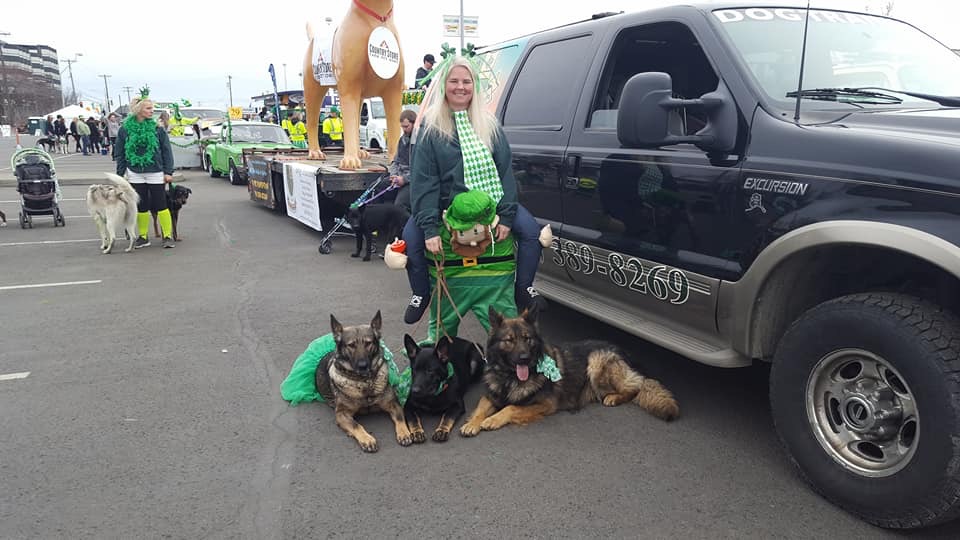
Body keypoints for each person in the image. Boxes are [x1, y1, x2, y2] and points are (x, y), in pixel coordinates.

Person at [401, 55, 547, 324]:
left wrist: (506, 215)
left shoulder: (490, 125)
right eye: (454, 81)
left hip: (490, 200)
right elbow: (425, 182)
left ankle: (523, 286)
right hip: (446, 202)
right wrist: (431, 228)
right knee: (410, 238)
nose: (460, 87)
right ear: (444, 85)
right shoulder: (431, 129)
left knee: (530, 232)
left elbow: (505, 172)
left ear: (474, 86)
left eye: (466, 81)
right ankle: (420, 293)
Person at [115, 96, 177, 249]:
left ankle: (167, 236)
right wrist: (120, 173)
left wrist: (168, 171)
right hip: (134, 171)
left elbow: (166, 151)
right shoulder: (125, 130)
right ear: (138, 110)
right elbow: (120, 153)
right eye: (148, 108)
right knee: (141, 205)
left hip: (155, 171)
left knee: (161, 203)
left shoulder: (157, 129)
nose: (152, 111)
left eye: (152, 108)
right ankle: (143, 237)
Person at [389, 109, 417, 212]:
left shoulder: (420, 141)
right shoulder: (402, 140)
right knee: (377, 189)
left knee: (399, 205)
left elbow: (419, 169)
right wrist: (393, 175)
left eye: (406, 126)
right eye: (402, 127)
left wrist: (404, 179)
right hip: (399, 177)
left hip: (412, 181)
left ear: (414, 124)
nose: (404, 130)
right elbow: (395, 161)